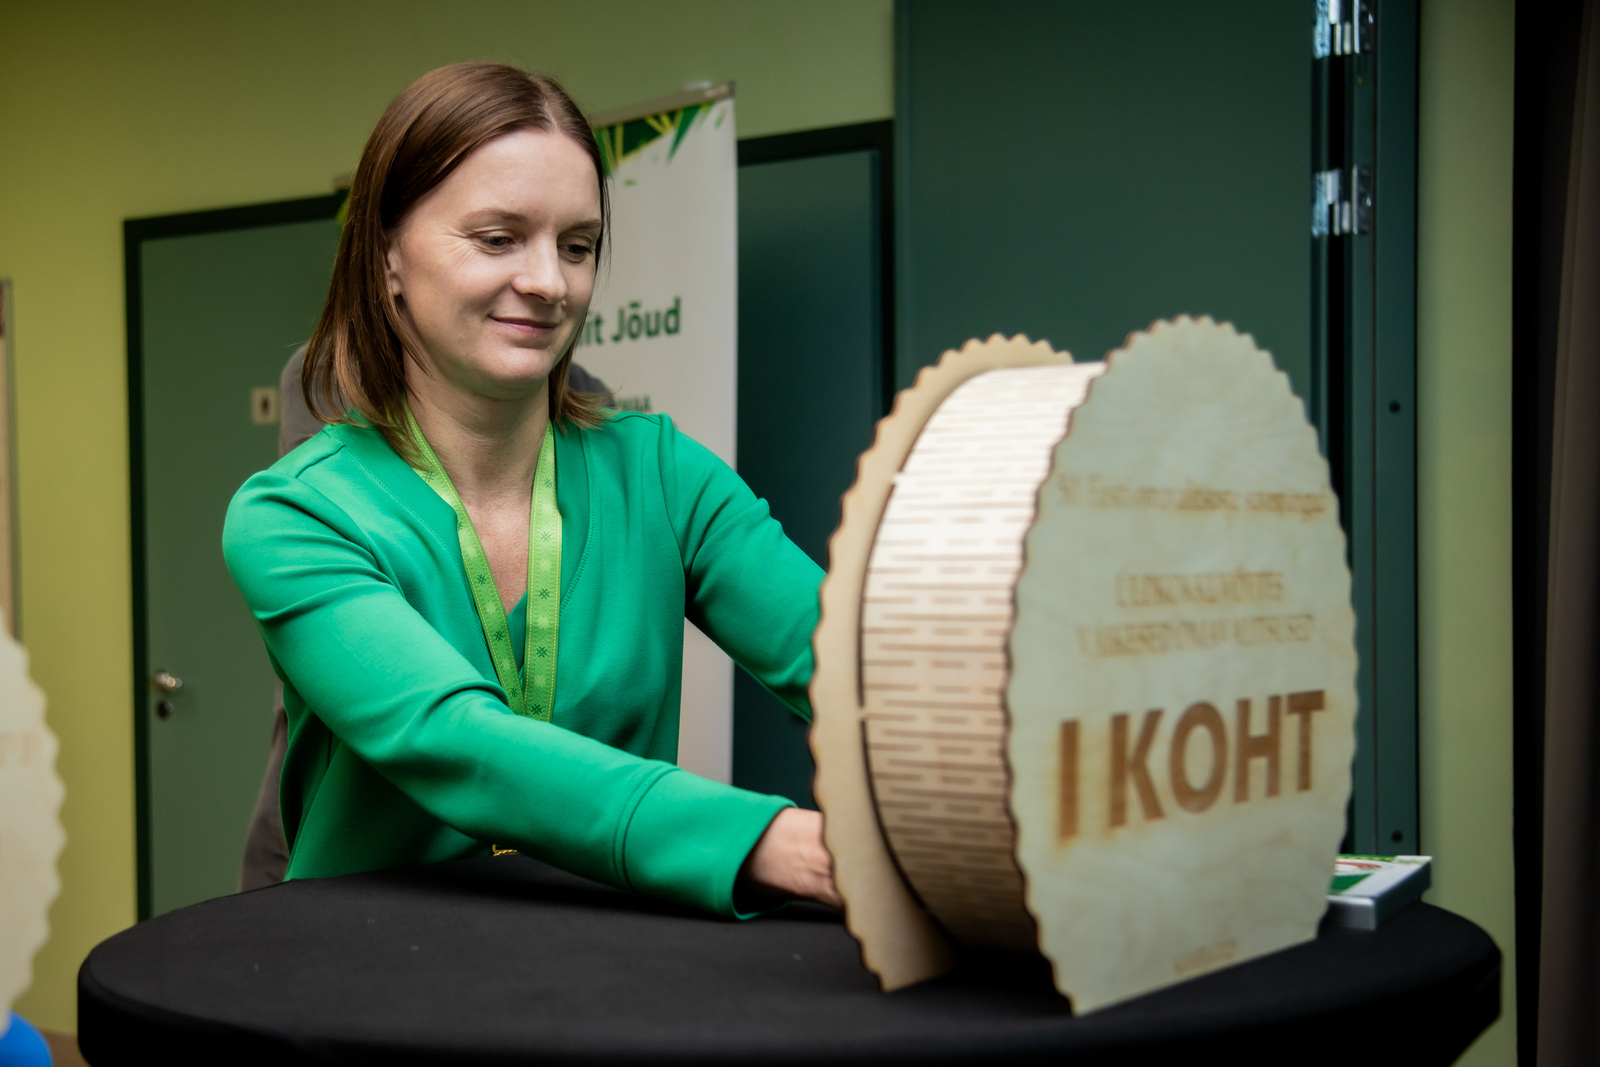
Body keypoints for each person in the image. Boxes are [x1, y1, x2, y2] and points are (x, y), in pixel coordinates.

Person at [223, 61, 837, 914]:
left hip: (607, 963)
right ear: (388, 255)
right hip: (372, 970)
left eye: (576, 246)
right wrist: (774, 841)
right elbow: (457, 743)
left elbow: (843, 662)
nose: (550, 282)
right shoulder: (296, 514)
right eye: (497, 238)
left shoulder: (661, 473)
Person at [237, 345, 613, 891]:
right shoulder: (327, 370)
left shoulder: (586, 395)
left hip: (543, 766)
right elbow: (343, 521)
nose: (539, 299)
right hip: (369, 726)